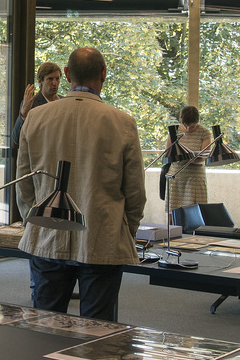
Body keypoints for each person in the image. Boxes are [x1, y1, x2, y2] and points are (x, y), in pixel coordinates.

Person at [16, 47, 145, 320]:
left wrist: (34, 224)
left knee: (45, 329)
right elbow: (135, 192)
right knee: (97, 336)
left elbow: (24, 184)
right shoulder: (123, 123)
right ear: (104, 74)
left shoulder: (36, 118)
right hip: (102, 237)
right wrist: (124, 230)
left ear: (66, 74)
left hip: (47, 235)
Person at [160, 106, 210, 207]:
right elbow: (168, 153)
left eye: (191, 126)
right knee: (174, 211)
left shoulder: (204, 132)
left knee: (196, 212)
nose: (188, 129)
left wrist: (187, 158)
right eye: (185, 125)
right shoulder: (174, 131)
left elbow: (204, 158)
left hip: (195, 178)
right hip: (176, 177)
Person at [11, 62, 62, 150]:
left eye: (57, 79)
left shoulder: (64, 102)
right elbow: (17, 139)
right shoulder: (31, 103)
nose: (55, 83)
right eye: (50, 79)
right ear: (39, 81)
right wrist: (24, 114)